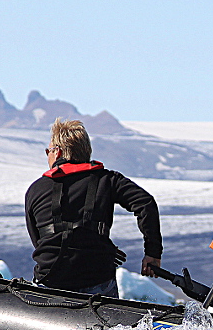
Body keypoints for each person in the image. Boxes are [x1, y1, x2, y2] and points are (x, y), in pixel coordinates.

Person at [25, 118, 161, 297]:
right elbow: (145, 203)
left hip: (51, 280)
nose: (47, 155)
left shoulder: (36, 189)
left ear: (57, 152)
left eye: (47, 151)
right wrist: (152, 253)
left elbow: (38, 240)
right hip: (98, 279)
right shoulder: (108, 180)